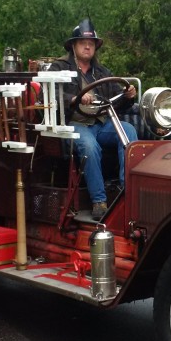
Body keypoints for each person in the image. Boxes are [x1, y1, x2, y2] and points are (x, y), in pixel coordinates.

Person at [49, 18, 138, 221]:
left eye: (91, 43)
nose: (88, 46)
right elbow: (48, 95)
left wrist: (128, 95)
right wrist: (74, 98)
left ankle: (128, 191)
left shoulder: (102, 72)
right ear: (74, 45)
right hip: (74, 124)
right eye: (83, 42)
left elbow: (118, 103)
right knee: (89, 146)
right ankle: (99, 201)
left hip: (101, 123)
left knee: (128, 132)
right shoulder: (59, 67)